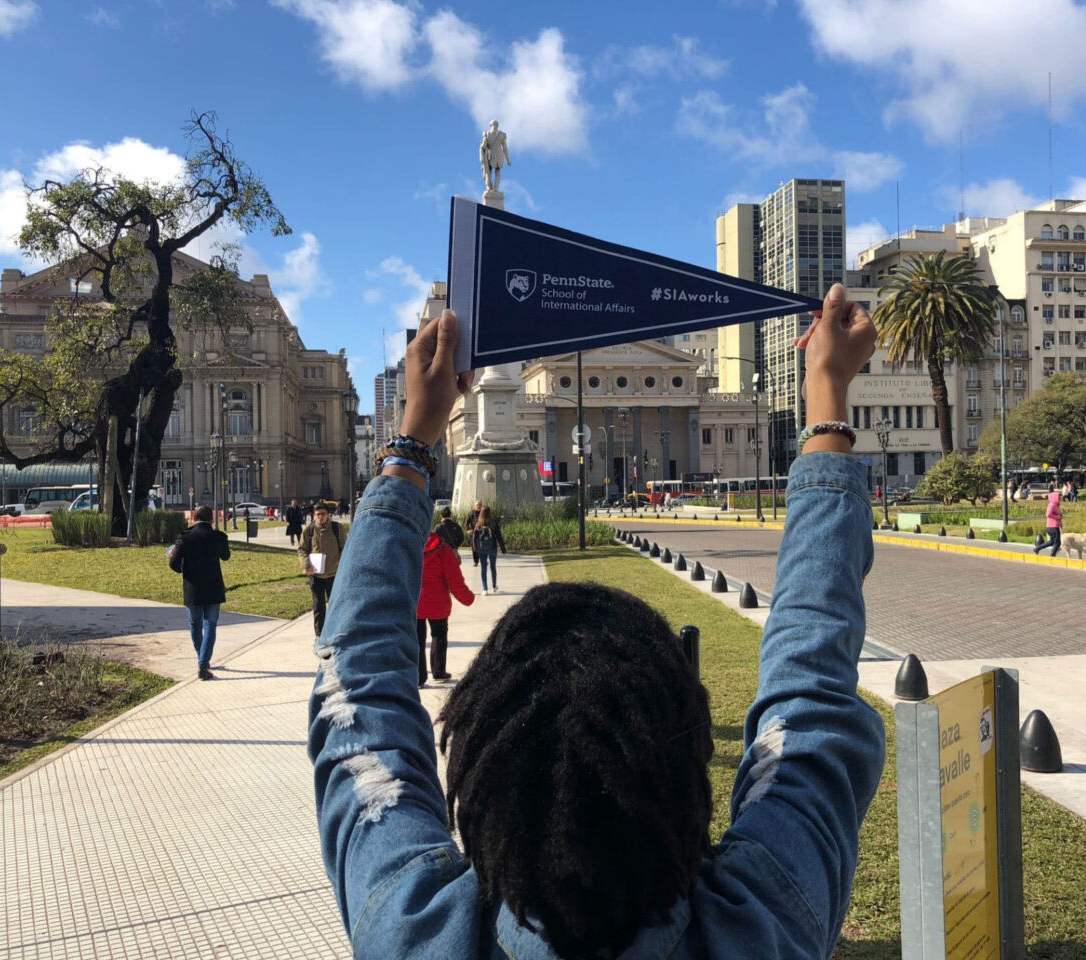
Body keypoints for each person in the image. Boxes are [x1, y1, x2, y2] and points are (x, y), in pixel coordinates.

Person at [309, 287, 885, 958]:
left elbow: (356, 690)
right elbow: (811, 693)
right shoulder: (763, 924)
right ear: (690, 779)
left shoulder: (411, 930)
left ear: (476, 792)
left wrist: (412, 440)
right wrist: (828, 393)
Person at [168, 504, 230, 681]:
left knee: (195, 625)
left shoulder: (185, 537)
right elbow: (226, 556)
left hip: (192, 588)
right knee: (210, 625)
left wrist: (183, 569)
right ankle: (203, 663)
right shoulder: (218, 537)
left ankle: (202, 659)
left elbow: (173, 563)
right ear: (212, 518)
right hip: (213, 587)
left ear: (194, 518)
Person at [417, 523, 475, 686]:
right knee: (439, 635)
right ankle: (439, 671)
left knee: (417, 639)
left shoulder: (409, 546)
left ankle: (418, 676)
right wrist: (467, 597)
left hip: (415, 602)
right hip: (438, 602)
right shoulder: (442, 548)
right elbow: (454, 577)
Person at [299, 501, 348, 642]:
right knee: (318, 605)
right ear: (314, 516)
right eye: (317, 514)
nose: (320, 517)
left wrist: (341, 567)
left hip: (334, 574)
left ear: (328, 515)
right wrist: (306, 565)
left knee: (335, 605)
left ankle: (335, 632)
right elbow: (302, 549)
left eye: (323, 514)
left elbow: (345, 549)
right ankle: (319, 636)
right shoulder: (309, 530)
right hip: (316, 575)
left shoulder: (337, 528)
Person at [471, 506, 506, 594]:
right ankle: (494, 586)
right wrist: (503, 548)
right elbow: (499, 536)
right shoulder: (493, 523)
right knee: (493, 567)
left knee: (483, 568)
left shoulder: (478, 524)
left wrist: (475, 548)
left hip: (481, 549)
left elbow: (474, 538)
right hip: (492, 548)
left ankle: (485, 589)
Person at [1034, 488, 1064, 557]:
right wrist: (1058, 517)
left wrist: (1060, 516)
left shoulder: (1055, 505)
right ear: (1054, 498)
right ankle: (1052, 556)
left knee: (1051, 542)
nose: (1060, 499)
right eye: (1058, 498)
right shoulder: (1052, 505)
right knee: (1057, 543)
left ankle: (1037, 548)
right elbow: (1048, 514)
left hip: (1052, 526)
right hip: (1053, 526)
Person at [467, 499, 483, 566]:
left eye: (480, 505)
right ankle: (476, 561)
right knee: (474, 548)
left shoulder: (484, 513)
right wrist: (468, 529)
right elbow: (467, 523)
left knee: (482, 547)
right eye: (477, 505)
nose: (478, 506)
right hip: (474, 534)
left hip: (483, 533)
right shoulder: (471, 513)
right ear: (474, 506)